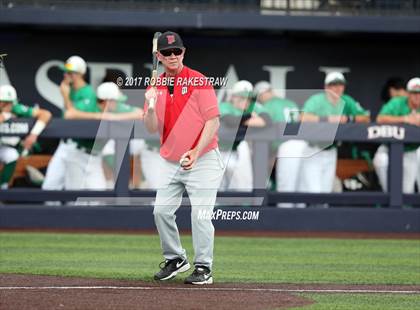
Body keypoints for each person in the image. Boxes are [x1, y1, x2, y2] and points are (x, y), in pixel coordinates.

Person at [144, 31, 223, 285]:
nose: (172, 56)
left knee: (200, 214)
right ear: (159, 56)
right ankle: (176, 258)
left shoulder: (199, 81)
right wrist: (152, 106)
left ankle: (203, 267)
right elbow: (151, 128)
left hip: (204, 157)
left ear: (183, 52)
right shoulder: (154, 86)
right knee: (161, 212)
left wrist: (196, 152)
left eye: (176, 51)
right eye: (166, 53)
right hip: (170, 159)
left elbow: (213, 121)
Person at [64, 82, 143, 190]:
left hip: (95, 157)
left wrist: (113, 117)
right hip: (77, 154)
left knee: (98, 194)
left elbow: (140, 113)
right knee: (75, 196)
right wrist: (99, 116)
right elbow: (69, 114)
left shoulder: (116, 109)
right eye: (114, 101)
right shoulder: (90, 104)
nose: (117, 103)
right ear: (106, 101)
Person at [300, 72, 370, 194]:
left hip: (331, 150)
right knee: (313, 192)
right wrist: (327, 119)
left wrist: (348, 119)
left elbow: (365, 118)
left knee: (326, 192)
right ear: (326, 87)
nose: (338, 88)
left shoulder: (346, 100)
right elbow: (302, 117)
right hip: (313, 150)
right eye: (334, 85)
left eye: (341, 85)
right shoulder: (317, 100)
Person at [42, 56, 96, 191]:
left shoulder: (88, 92)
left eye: (70, 72)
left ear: (80, 74)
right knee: (49, 186)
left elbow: (71, 115)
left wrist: (65, 95)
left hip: (79, 149)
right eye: (65, 72)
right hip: (65, 145)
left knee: (73, 192)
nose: (65, 75)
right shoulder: (70, 90)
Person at [254, 81, 306, 207]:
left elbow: (264, 131)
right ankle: (303, 221)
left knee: (286, 188)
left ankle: (285, 222)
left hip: (287, 146)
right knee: (300, 186)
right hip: (304, 144)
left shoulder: (266, 106)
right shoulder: (290, 103)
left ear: (262, 94)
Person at [219, 80, 272, 191]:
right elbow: (231, 121)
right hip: (221, 151)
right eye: (241, 97)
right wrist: (251, 117)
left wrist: (244, 121)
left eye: (248, 97)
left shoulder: (254, 107)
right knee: (218, 187)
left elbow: (266, 121)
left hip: (241, 150)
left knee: (241, 187)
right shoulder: (224, 106)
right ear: (233, 97)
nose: (245, 100)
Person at [373, 77, 420, 193]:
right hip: (388, 148)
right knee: (381, 161)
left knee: (406, 191)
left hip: (411, 150)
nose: (417, 96)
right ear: (408, 94)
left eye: (419, 94)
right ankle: (388, 193)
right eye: (414, 93)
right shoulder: (397, 102)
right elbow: (380, 119)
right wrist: (405, 119)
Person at [0, 85, 52, 188]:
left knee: (12, 155)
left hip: (5, 146)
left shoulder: (16, 109)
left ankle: (3, 187)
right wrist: (4, 116)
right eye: (4, 102)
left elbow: (46, 114)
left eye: (10, 103)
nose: (8, 106)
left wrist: (33, 135)